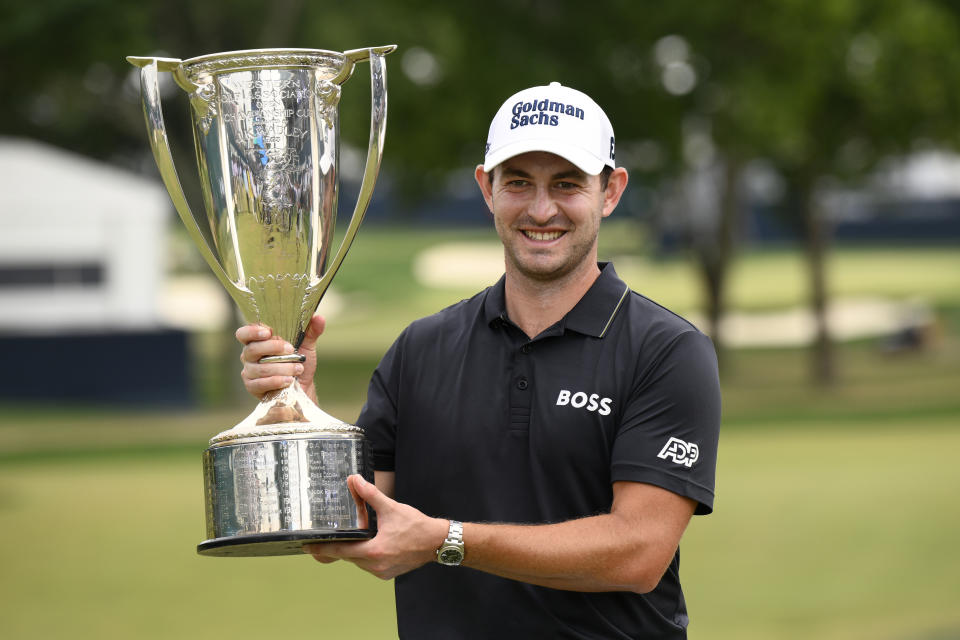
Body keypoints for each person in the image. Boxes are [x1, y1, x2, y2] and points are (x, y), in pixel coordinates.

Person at [237, 81, 721, 638]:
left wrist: (447, 541)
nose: (542, 209)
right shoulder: (420, 349)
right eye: (518, 182)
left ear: (611, 192)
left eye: (566, 184)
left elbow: (637, 554)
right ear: (486, 188)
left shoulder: (666, 351)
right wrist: (296, 406)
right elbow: (344, 530)